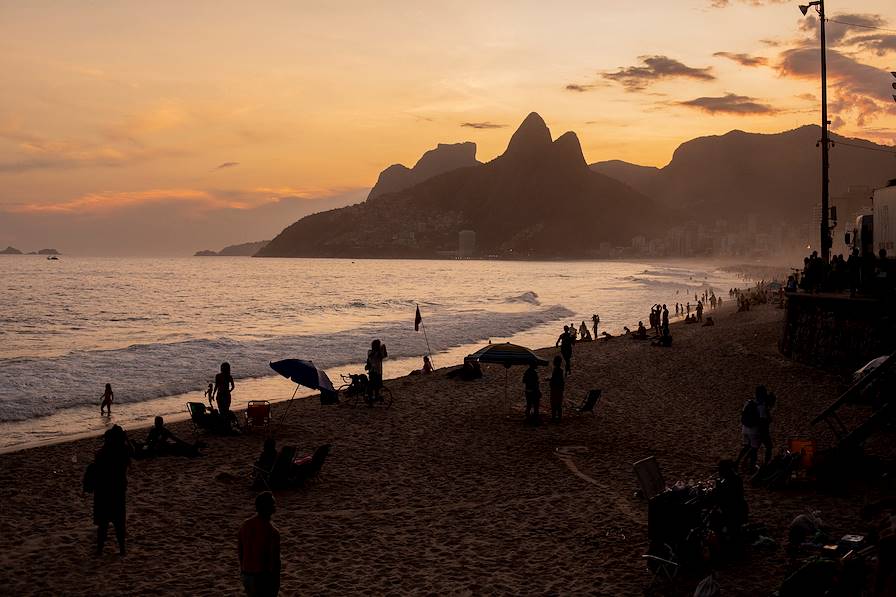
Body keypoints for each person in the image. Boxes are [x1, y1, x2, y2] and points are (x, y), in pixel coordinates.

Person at [89, 425, 132, 556]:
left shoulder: (103, 453)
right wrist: (127, 439)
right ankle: (122, 549)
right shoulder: (124, 450)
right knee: (119, 522)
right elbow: (132, 451)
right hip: (118, 490)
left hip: (104, 491)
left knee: (103, 523)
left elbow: (97, 465)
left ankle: (100, 550)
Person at [238, 492, 281, 597]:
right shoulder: (272, 531)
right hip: (261, 576)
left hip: (246, 574)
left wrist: (243, 570)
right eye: (273, 504)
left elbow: (240, 551)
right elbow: (274, 560)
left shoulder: (245, 525)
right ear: (270, 508)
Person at [736, 393, 761, 471]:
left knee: (746, 446)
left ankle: (737, 461)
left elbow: (742, 413)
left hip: (745, 428)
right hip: (753, 430)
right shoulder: (760, 405)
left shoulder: (748, 402)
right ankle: (751, 466)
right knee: (754, 449)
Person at [755, 386, 775, 466]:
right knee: (769, 447)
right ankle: (766, 463)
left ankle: (746, 461)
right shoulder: (762, 406)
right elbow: (763, 419)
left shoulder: (757, 402)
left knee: (754, 447)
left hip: (757, 429)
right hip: (763, 430)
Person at [365, 339, 388, 404]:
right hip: (377, 372)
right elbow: (384, 352)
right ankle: (374, 398)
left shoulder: (372, 352)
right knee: (375, 386)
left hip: (374, 372)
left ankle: (372, 399)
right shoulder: (377, 354)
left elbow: (384, 352)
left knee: (372, 386)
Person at [548, 355, 565, 422]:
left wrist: (551, 382)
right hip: (560, 388)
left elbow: (554, 380)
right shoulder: (561, 371)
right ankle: (559, 417)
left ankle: (554, 417)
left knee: (554, 403)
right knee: (559, 404)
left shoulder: (556, 370)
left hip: (555, 388)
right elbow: (561, 380)